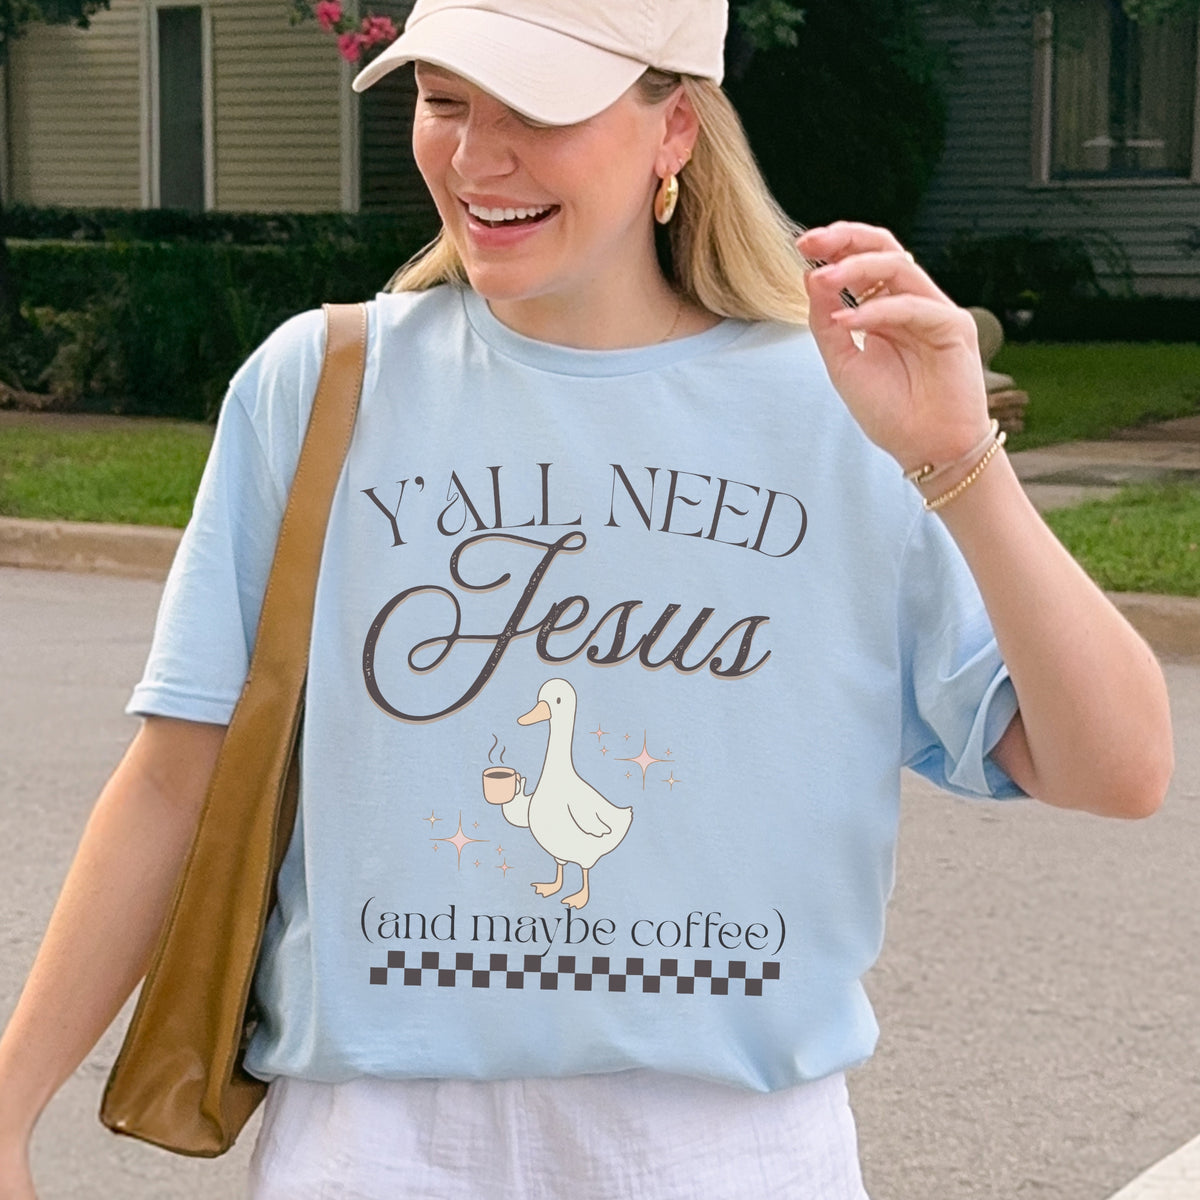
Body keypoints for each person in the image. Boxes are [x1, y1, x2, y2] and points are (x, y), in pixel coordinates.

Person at [0, 1, 1174, 1196]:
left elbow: (1116, 767)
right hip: (377, 1147)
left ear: (675, 129)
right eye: (444, 101)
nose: (472, 158)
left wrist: (959, 464)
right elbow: (173, 776)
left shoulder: (840, 407)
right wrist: (8, 1105)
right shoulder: (317, 385)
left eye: (537, 111)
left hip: (725, 1151)